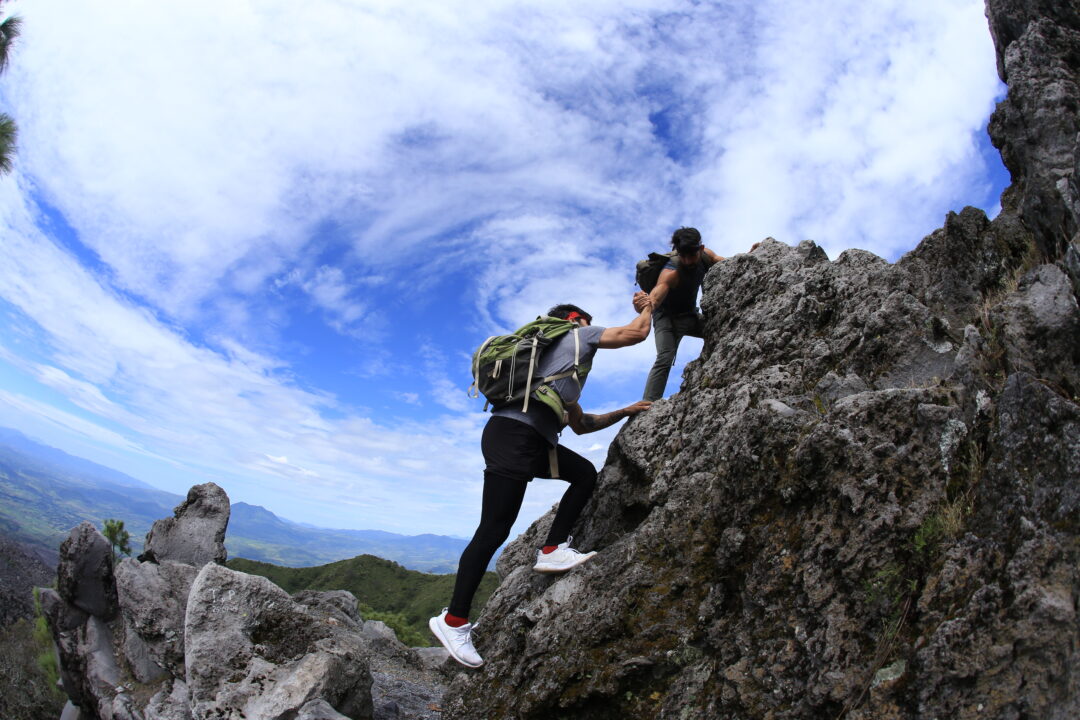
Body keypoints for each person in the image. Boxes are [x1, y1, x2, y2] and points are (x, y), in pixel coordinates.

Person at [429, 296, 655, 668]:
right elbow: (636, 333)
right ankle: (453, 621)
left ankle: (551, 550)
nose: (591, 327)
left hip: (528, 439)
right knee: (493, 530)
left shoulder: (559, 372)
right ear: (573, 319)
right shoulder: (575, 334)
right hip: (515, 437)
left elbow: (582, 425)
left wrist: (625, 411)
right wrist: (649, 306)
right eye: (587, 321)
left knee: (583, 474)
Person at [641, 227, 726, 402]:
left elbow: (730, 264)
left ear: (701, 249)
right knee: (664, 358)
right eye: (683, 256)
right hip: (667, 320)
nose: (687, 261)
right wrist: (645, 307)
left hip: (690, 316)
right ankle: (647, 404)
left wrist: (752, 254)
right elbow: (655, 298)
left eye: (691, 256)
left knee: (722, 330)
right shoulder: (670, 272)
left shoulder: (706, 256)